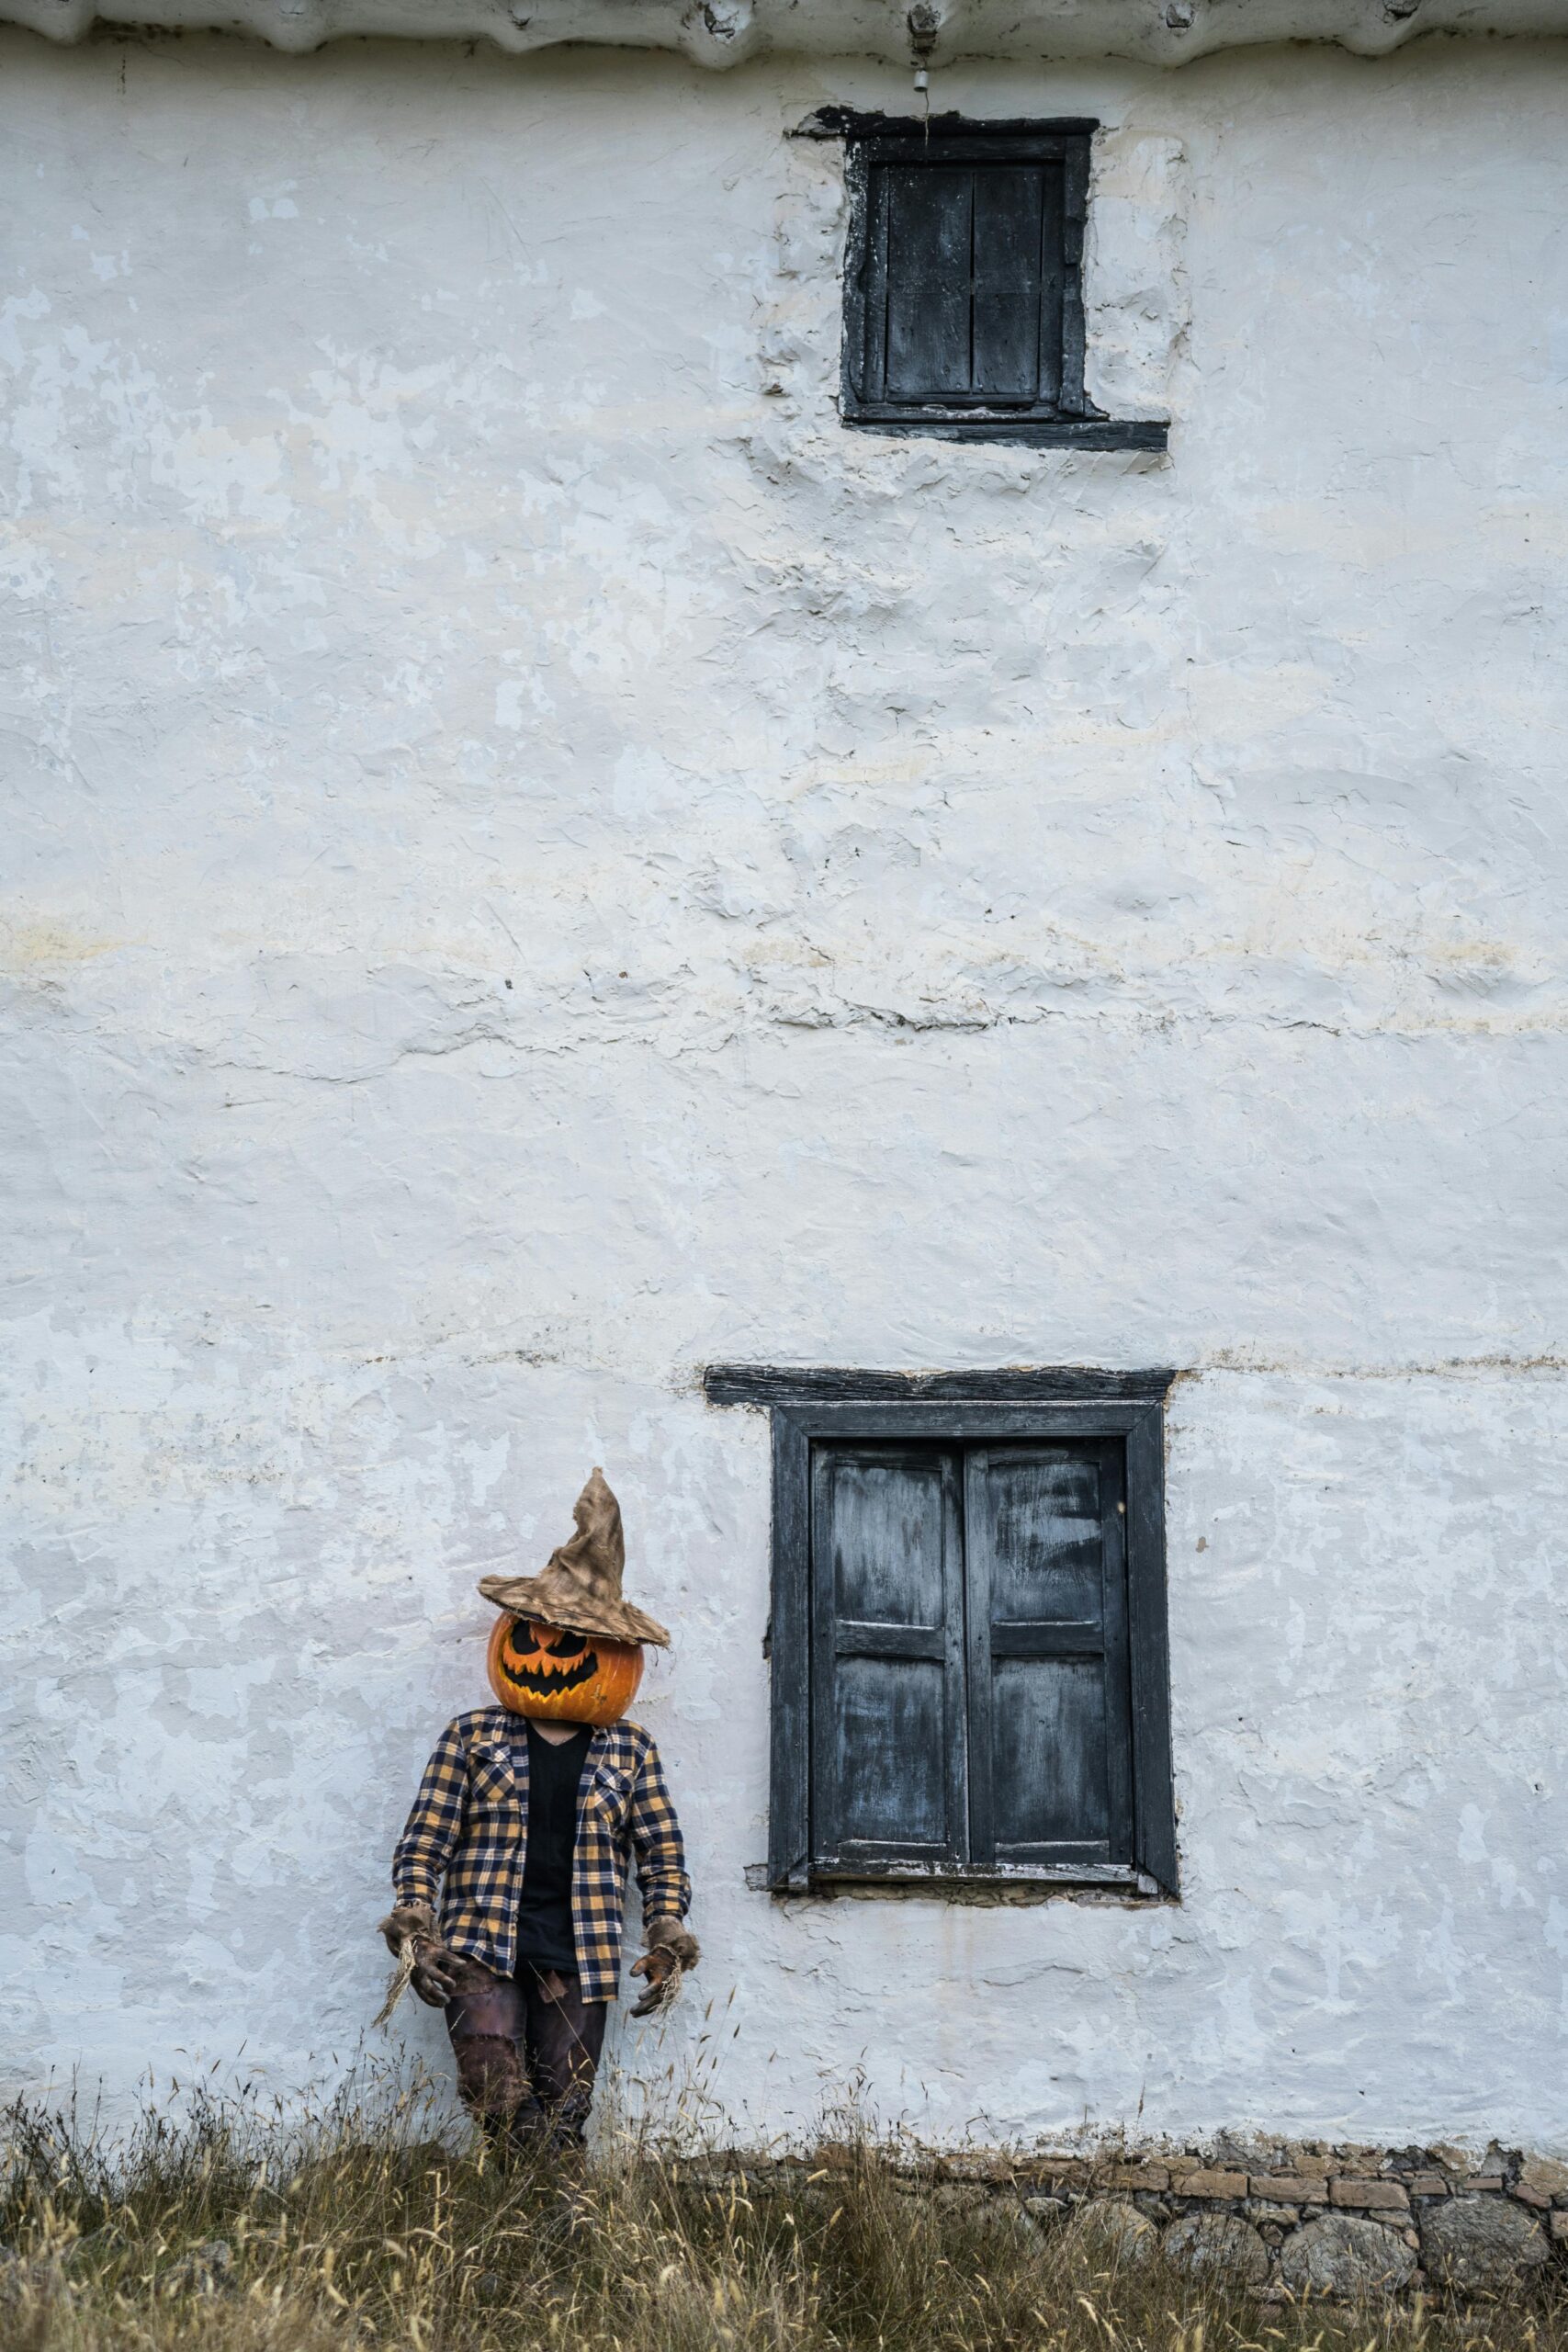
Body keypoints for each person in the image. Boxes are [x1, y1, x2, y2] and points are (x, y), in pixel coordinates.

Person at [379, 1468, 698, 2162]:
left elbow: (660, 1852)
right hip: (480, 1943)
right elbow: (426, 1840)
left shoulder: (630, 1749)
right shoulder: (472, 1736)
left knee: (564, 2109)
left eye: (574, 1640)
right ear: (511, 1636)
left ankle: (553, 2237)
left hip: (578, 1949)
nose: (549, 1653)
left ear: (616, 1654)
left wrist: (667, 1926)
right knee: (495, 2094)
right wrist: (416, 1925)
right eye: (534, 1634)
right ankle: (503, 2221)